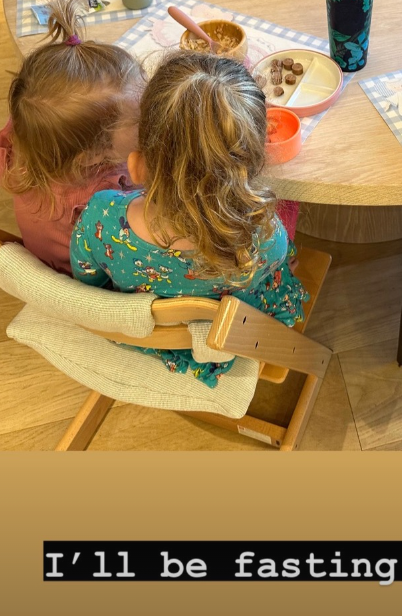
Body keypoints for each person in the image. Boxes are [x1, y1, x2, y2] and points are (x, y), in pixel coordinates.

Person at [70, 50, 308, 387]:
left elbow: (88, 281)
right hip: (231, 336)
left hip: (152, 337)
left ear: (137, 167)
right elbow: (278, 261)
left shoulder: (101, 216)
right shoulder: (263, 234)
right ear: (252, 165)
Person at [0, 0, 143, 274]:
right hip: (93, 272)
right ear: (91, 155)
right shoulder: (102, 201)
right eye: (141, 119)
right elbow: (139, 246)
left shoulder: (38, 133)